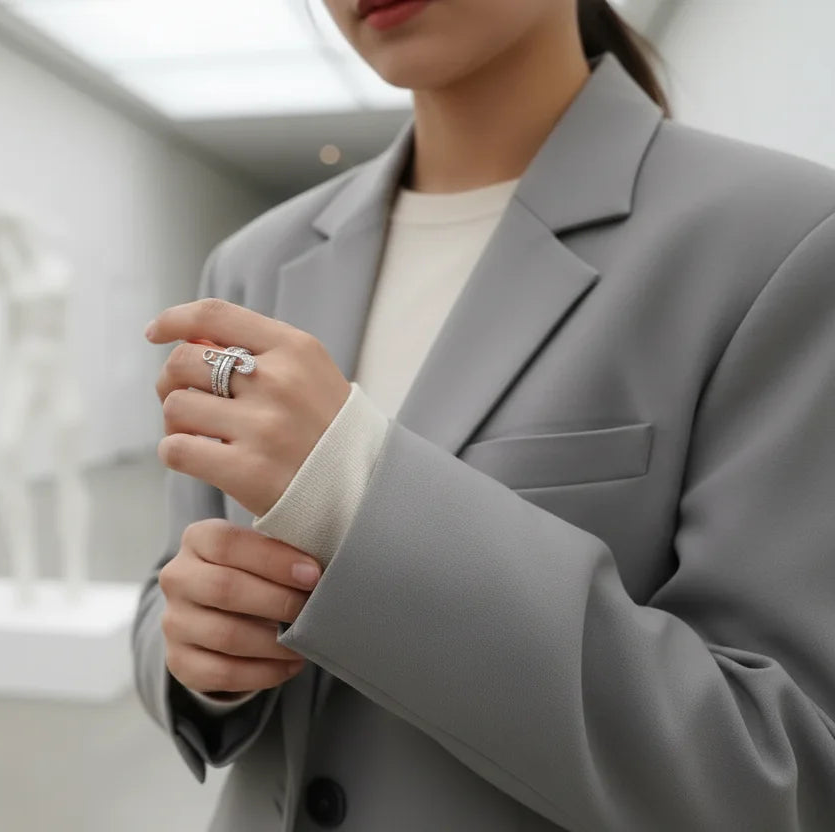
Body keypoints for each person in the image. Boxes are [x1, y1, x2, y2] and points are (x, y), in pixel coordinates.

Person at [131, 0, 835, 829]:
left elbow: (783, 772)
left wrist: (356, 495)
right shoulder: (255, 260)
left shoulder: (784, 240)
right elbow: (170, 586)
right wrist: (198, 657)